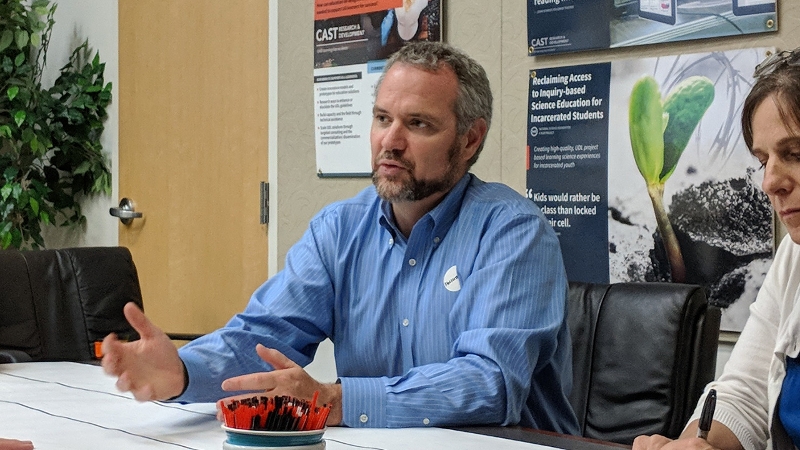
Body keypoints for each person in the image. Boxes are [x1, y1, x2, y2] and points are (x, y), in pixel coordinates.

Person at [102, 41, 579, 432]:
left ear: (470, 139)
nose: (389, 141)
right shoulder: (340, 228)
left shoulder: (513, 232)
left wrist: (337, 401)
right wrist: (184, 371)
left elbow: (490, 383)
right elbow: (267, 337)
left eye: (417, 124)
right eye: (382, 118)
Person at [633, 48, 800, 450]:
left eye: (794, 153)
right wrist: (693, 445)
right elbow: (744, 395)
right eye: (763, 161)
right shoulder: (794, 257)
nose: (770, 183)